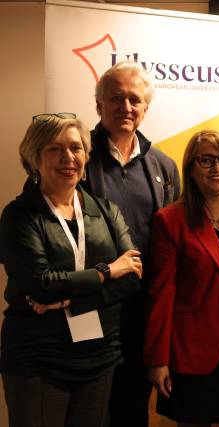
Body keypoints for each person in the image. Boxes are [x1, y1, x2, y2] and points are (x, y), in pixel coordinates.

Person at [0, 113, 142, 427]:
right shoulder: (19, 215)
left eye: (76, 148)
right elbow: (40, 285)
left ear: (86, 155)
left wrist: (69, 301)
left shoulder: (105, 211)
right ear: (34, 157)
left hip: (99, 354)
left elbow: (131, 278)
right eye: (55, 149)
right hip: (38, 357)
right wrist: (106, 272)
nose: (68, 157)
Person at [84, 61, 181, 426]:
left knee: (132, 407)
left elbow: (174, 237)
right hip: (91, 306)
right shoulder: (77, 157)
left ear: (145, 108)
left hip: (143, 309)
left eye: (134, 100)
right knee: (90, 407)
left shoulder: (163, 165)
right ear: (99, 106)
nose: (126, 107)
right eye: (116, 98)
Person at [144, 130, 219, 427]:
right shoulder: (171, 221)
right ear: (190, 169)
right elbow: (161, 293)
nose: (217, 168)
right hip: (194, 352)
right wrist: (158, 359)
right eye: (205, 160)